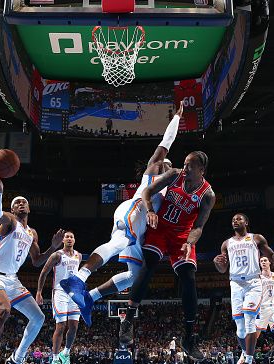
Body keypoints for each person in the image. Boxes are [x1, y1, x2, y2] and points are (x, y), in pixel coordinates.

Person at [61, 103, 184, 326]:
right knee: (118, 241)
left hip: (142, 230)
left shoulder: (172, 192)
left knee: (136, 276)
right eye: (164, 164)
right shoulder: (152, 172)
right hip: (134, 209)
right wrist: (176, 119)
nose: (166, 166)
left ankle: (91, 296)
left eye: (169, 165)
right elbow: (166, 143)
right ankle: (78, 279)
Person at [118, 150, 216, 360]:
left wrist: (190, 243)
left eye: (191, 165)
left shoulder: (208, 195)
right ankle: (128, 320)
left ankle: (189, 337)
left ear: (202, 170)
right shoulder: (174, 175)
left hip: (182, 237)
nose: (186, 167)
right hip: (160, 229)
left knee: (189, 277)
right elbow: (146, 191)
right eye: (186, 163)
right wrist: (151, 210)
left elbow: (199, 226)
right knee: (150, 263)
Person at [0, 170, 65, 364]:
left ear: (29, 207)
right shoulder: (9, 222)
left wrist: (53, 247)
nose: (20, 204)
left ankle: (17, 359)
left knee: (38, 317)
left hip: (13, 279)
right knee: (4, 310)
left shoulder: (32, 233)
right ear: (12, 208)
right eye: (16, 202)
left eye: (23, 202)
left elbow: (36, 261)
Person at [214, 214, 274, 364]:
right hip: (235, 284)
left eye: (239, 219)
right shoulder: (226, 243)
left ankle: (248, 362)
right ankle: (250, 358)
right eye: (233, 219)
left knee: (250, 321)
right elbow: (223, 269)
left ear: (246, 222)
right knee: (240, 328)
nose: (235, 220)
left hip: (253, 283)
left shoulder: (256, 238)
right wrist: (217, 263)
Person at [36, 231, 82, 364]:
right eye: (67, 236)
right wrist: (39, 292)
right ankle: (55, 359)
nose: (69, 238)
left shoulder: (79, 256)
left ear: (74, 240)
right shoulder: (57, 255)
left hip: (74, 293)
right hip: (60, 292)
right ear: (63, 240)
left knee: (74, 326)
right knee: (61, 326)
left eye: (71, 236)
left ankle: (65, 353)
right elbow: (44, 272)